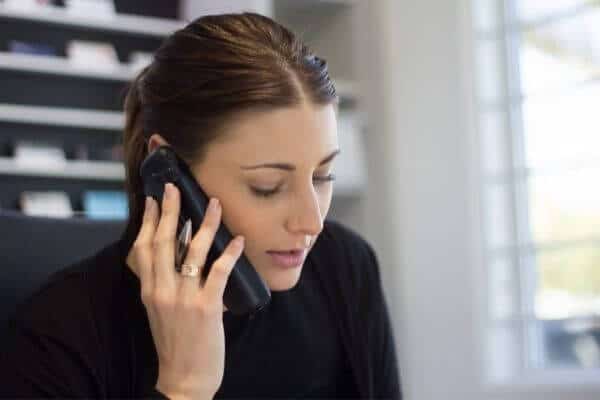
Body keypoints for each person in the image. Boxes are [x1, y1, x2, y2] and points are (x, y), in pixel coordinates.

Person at [0, 12, 402, 399]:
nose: (312, 221)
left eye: (321, 176)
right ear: (169, 170)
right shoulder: (57, 339)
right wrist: (184, 388)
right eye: (268, 186)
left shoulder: (345, 266)